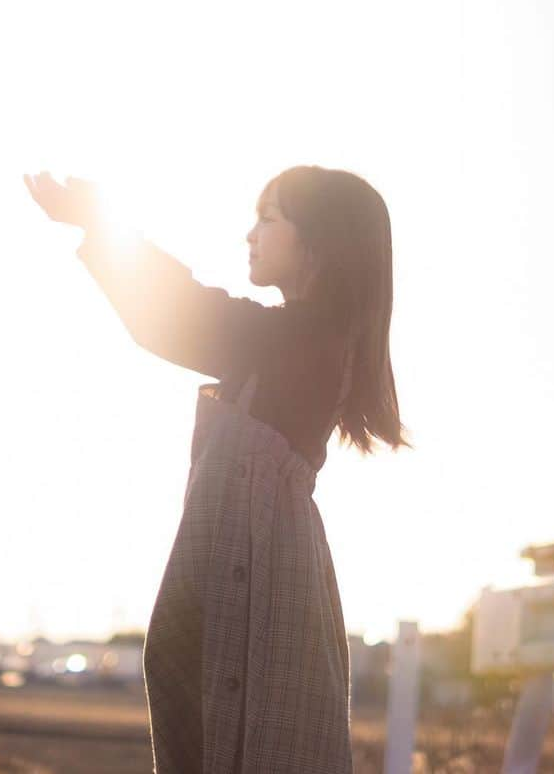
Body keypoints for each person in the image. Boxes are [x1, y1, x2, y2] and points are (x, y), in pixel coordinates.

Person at [24, 164, 408, 774]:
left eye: (268, 217)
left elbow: (180, 315)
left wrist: (103, 226)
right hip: (250, 561)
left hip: (254, 571)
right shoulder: (298, 341)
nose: (249, 234)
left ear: (320, 241)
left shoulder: (303, 343)